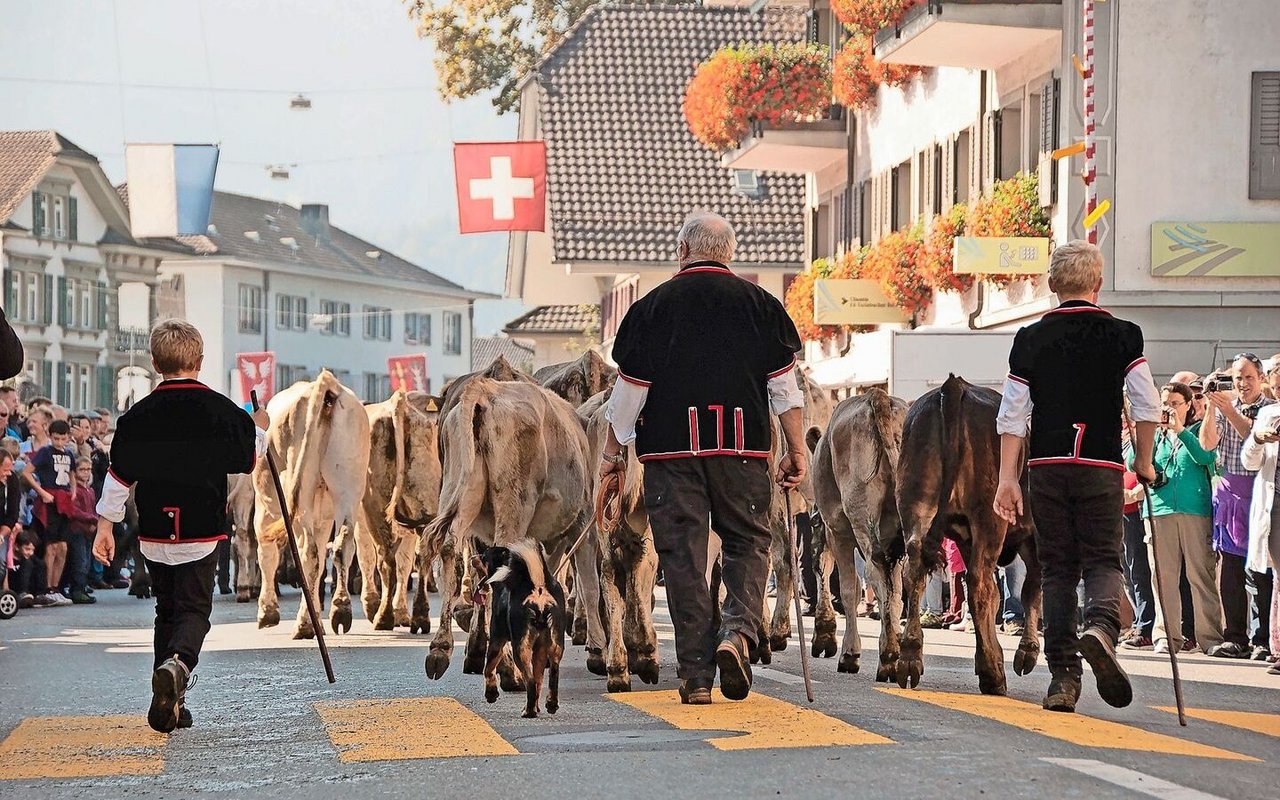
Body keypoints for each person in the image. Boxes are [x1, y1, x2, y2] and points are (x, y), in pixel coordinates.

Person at [602, 212, 805, 706]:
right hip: (743, 451)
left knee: (684, 558)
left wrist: (612, 454)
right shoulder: (762, 306)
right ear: (729, 253)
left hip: (671, 457)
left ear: (682, 250)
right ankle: (736, 633)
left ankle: (695, 677)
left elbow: (630, 393)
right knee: (748, 544)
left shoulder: (650, 309)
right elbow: (784, 390)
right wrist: (796, 448)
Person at [994, 240, 1160, 714]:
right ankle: (1102, 627)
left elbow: (1012, 415)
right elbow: (1146, 404)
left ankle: (1063, 679)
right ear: (1098, 283)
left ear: (1051, 285)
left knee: (1058, 569)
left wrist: (1008, 479)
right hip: (1101, 466)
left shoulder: (1029, 339)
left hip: (1047, 468)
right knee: (1105, 559)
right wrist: (1144, 462)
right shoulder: (1124, 335)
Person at [93, 319, 267, 733]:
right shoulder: (222, 411)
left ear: (154, 362)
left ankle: (171, 702)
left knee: (166, 610)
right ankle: (179, 665)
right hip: (201, 530)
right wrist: (259, 425)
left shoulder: (136, 417)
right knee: (194, 611)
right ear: (200, 362)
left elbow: (118, 477)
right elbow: (248, 458)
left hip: (154, 530)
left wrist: (105, 527)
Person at [1136, 382, 1225, 655]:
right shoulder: (1156, 434)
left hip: (1195, 511)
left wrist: (1180, 431)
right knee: (1162, 577)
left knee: (1201, 575)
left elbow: (1204, 455)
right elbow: (1134, 462)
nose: (1169, 408)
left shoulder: (1198, 430)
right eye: (1165, 403)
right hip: (1159, 511)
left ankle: (1210, 638)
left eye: (1175, 403)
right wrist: (1151, 433)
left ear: (1189, 405)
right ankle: (1167, 637)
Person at [1200, 353, 1274, 659]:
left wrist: (1228, 409)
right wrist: (1209, 407)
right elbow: (1207, 444)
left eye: (1248, 377)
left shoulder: (1269, 409)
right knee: (1229, 570)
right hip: (1229, 493)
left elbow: (1251, 437)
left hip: (1260, 493)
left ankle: (1264, 638)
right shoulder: (1223, 406)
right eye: (1237, 378)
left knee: (1261, 570)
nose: (1242, 384)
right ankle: (1235, 636)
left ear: (1261, 379)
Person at [1240, 392, 1280, 675]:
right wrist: (1257, 439)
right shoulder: (1269, 415)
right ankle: (1278, 648)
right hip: (1275, 504)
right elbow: (1249, 462)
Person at [25, 419, 82, 601]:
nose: (59, 442)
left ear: (68, 438)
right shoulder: (45, 452)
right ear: (50, 437)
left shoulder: (70, 455)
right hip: (49, 499)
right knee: (51, 547)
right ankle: (47, 588)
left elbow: (72, 474)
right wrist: (41, 492)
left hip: (64, 501)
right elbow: (26, 473)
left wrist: (73, 490)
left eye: (63, 439)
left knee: (63, 547)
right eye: (56, 438)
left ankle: (56, 587)